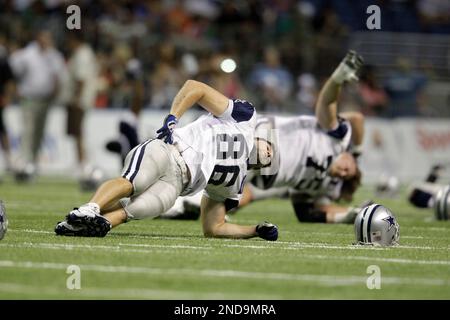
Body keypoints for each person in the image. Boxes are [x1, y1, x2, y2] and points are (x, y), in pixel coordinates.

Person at [55, 79, 278, 241]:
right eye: (270, 148)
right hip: (170, 149)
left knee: (137, 209)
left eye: (268, 161)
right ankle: (87, 209)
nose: (269, 155)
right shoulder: (245, 117)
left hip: (178, 184)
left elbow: (214, 228)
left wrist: (255, 231)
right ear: (261, 138)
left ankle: (90, 225)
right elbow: (195, 87)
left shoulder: (234, 185)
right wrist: (173, 117)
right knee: (133, 183)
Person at [162, 51, 366, 224]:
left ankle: (172, 200)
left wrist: (353, 215)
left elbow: (309, 213)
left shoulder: (323, 185)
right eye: (350, 167)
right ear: (350, 156)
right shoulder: (338, 140)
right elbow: (330, 107)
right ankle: (177, 198)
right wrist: (338, 79)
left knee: (226, 193)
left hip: (267, 175)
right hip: (267, 138)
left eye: (344, 177)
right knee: (222, 182)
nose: (344, 171)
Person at [8, 30, 65, 182]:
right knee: (28, 131)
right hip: (28, 98)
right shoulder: (27, 54)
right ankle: (24, 164)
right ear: (38, 38)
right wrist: (15, 90)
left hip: (46, 100)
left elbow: (58, 76)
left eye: (48, 37)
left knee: (39, 133)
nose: (45, 40)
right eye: (43, 37)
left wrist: (55, 93)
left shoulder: (54, 55)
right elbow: (13, 72)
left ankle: (33, 165)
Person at [64, 31, 99, 182]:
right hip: (82, 99)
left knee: (78, 133)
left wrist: (76, 98)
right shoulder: (86, 53)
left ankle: (83, 164)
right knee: (78, 133)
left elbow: (81, 79)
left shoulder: (81, 54)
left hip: (79, 100)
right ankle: (81, 163)